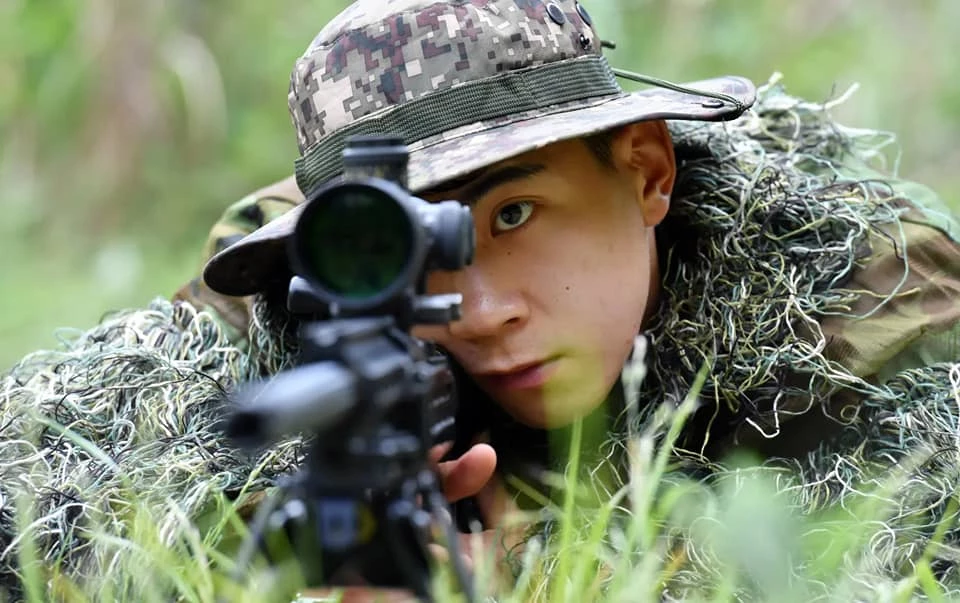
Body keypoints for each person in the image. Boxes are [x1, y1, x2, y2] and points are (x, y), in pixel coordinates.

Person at [3, 0, 960, 600]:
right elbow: (57, 501)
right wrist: (268, 544)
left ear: (646, 171)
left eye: (511, 215)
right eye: (415, 251)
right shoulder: (307, 281)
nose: (476, 310)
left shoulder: (864, 291)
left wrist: (538, 573)